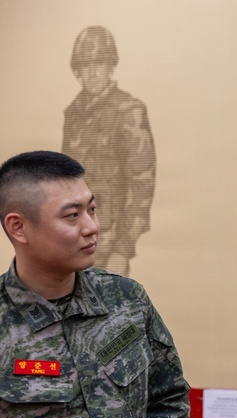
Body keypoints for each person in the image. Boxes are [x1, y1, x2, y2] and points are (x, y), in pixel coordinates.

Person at [0, 150, 189, 418]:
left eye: (92, 209)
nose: (92, 227)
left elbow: (170, 399)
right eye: (72, 216)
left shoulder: (126, 300)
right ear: (19, 227)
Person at [62, 25, 156, 278]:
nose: (92, 72)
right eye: (85, 65)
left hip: (111, 240)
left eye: (99, 64)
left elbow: (142, 183)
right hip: (73, 240)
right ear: (77, 70)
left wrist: (123, 250)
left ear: (111, 66)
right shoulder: (73, 114)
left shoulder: (128, 111)